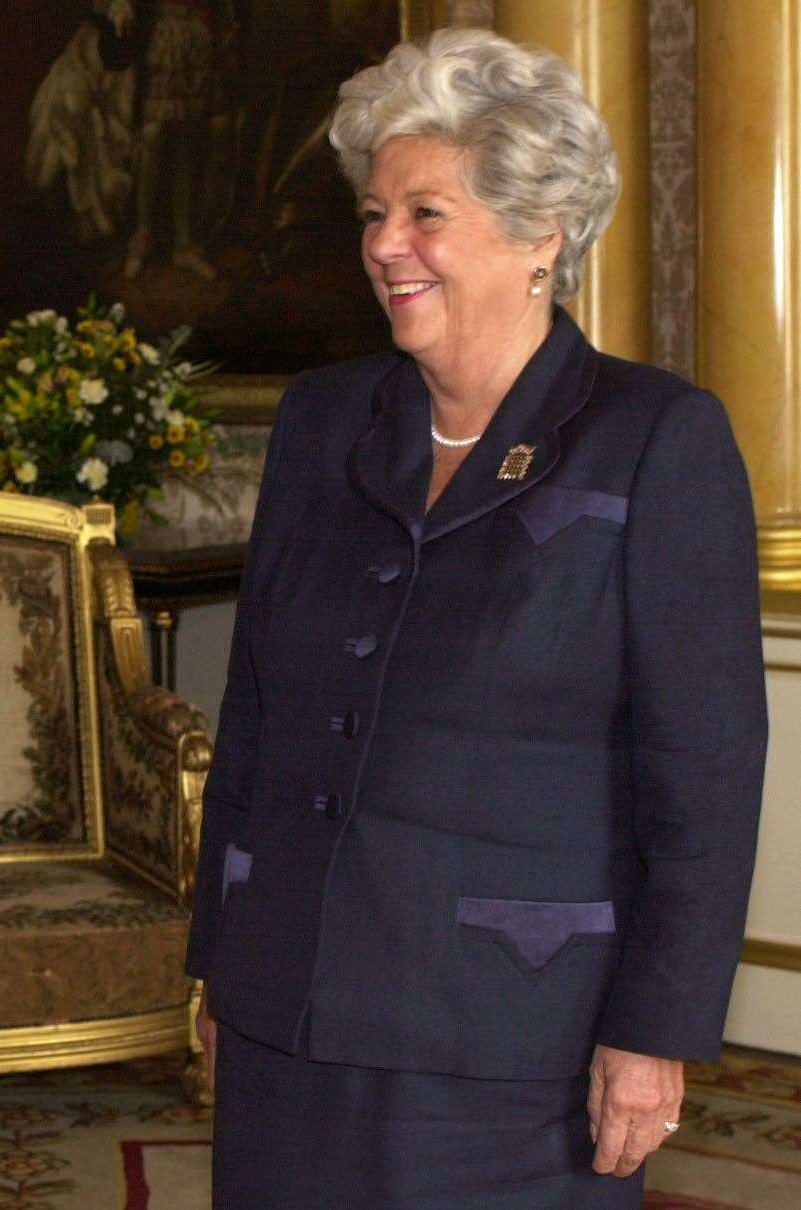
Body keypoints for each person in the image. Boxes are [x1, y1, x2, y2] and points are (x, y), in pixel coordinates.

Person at [185, 28, 766, 1208]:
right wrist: (219, 960)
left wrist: (654, 1031)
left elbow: (703, 770)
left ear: (540, 234)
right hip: (285, 1011)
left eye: (424, 214)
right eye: (372, 214)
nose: (384, 247)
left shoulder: (656, 438)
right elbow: (252, 715)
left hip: (512, 1039)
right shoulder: (321, 420)